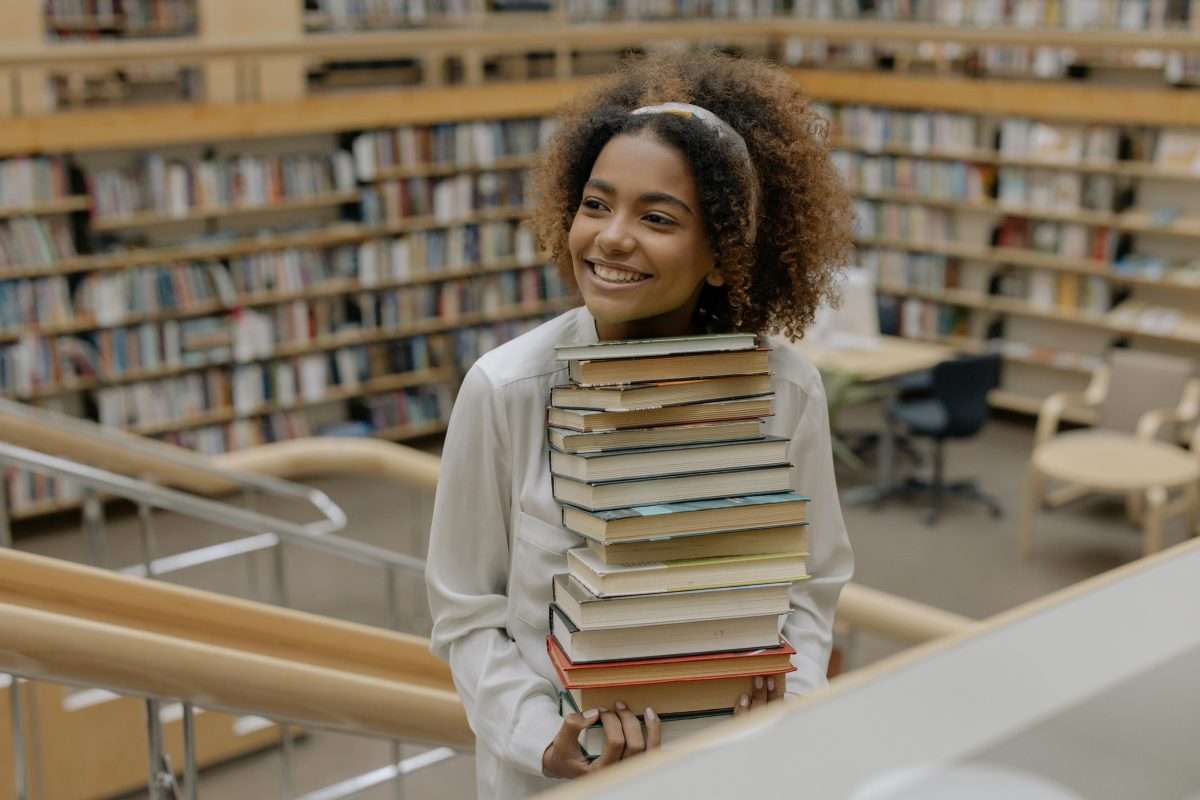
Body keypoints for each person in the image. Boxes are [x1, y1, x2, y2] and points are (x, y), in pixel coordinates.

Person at [426, 49, 855, 799]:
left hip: (731, 770)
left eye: (657, 218)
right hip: (560, 776)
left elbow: (813, 588)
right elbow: (466, 616)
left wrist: (795, 704)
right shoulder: (506, 390)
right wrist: (541, 742)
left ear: (723, 256)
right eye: (596, 205)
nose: (612, 237)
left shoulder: (788, 392)